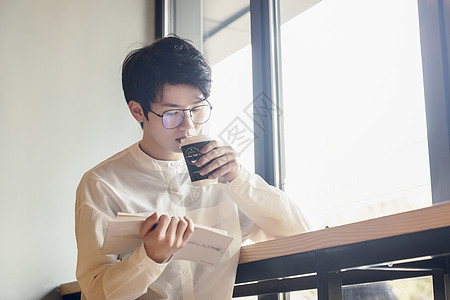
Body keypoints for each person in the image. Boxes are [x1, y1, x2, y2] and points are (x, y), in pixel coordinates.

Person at [75, 35, 310, 300]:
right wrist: (151, 258)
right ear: (138, 112)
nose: (188, 126)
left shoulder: (223, 176)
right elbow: (95, 292)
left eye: (197, 109)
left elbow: (300, 236)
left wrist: (239, 178)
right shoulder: (102, 183)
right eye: (172, 113)